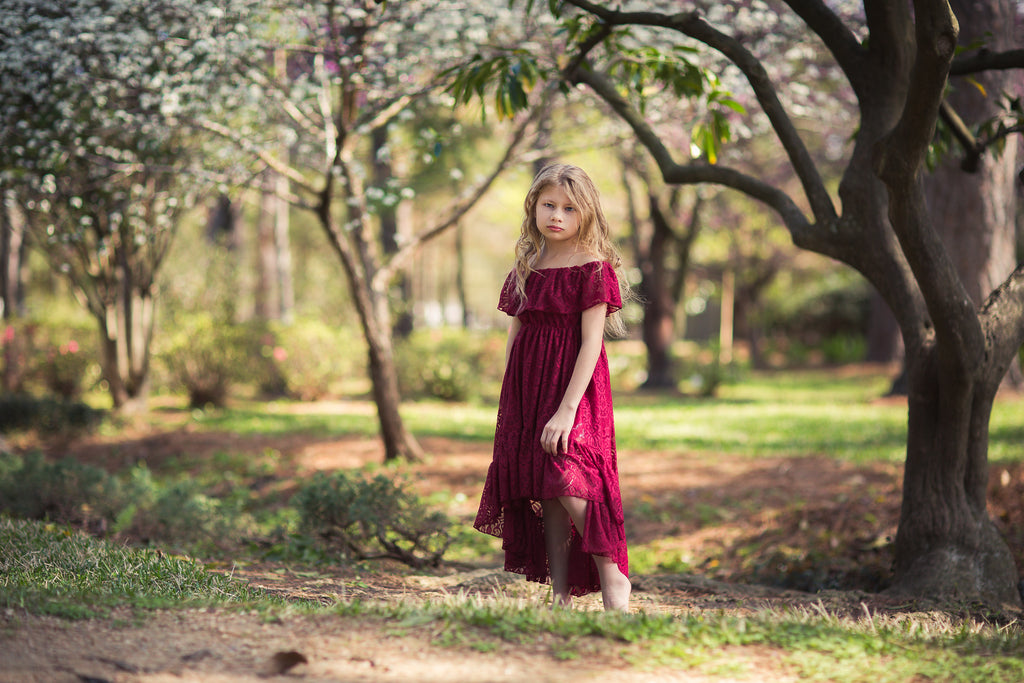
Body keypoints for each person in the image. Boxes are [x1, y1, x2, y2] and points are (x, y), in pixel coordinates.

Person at [474, 163, 631, 611]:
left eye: (568, 208)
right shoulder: (528, 265)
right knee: (544, 486)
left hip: (574, 388)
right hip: (528, 385)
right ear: (534, 207)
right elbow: (516, 334)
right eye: (548, 205)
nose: (556, 215)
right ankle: (559, 594)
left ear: (586, 214)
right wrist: (512, 398)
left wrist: (566, 410)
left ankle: (612, 574)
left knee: (570, 476)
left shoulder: (594, 268)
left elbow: (591, 344)